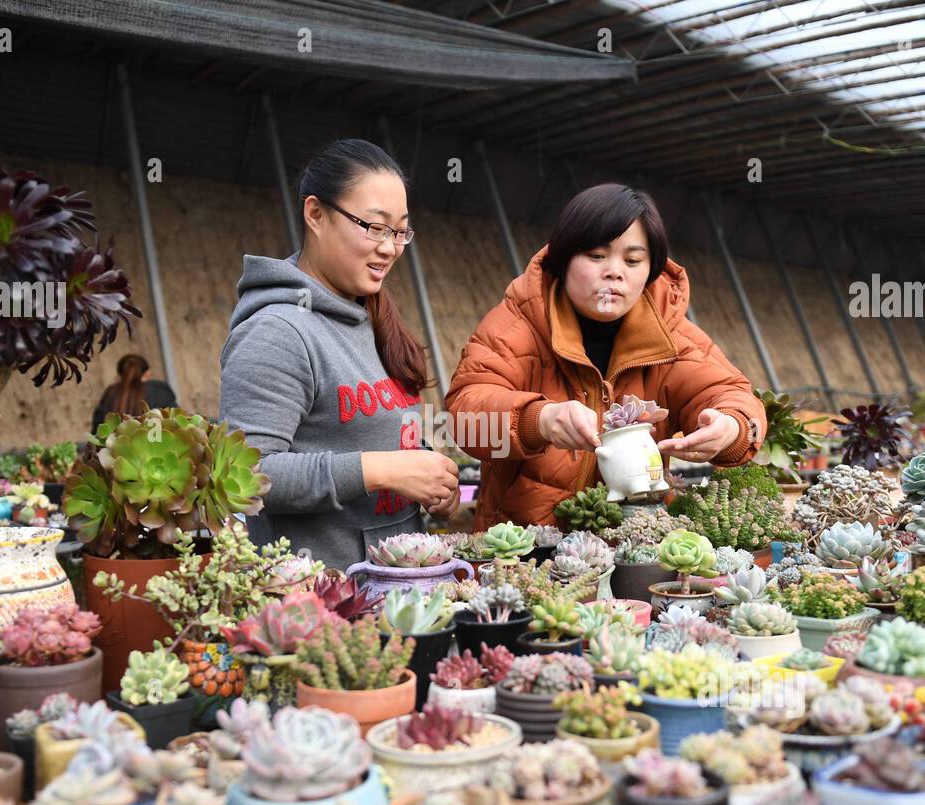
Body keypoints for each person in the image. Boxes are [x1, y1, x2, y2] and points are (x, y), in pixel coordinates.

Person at [445, 183, 766, 530]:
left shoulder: (672, 335)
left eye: (632, 260)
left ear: (651, 270)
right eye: (597, 256)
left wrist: (731, 426)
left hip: (636, 539)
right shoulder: (516, 324)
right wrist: (539, 420)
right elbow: (464, 421)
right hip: (522, 548)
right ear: (564, 258)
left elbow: (730, 394)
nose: (615, 271)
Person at [219, 139, 460, 569]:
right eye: (374, 226)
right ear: (316, 214)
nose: (390, 247)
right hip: (324, 600)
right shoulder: (277, 331)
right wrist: (381, 471)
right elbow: (247, 476)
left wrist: (430, 479)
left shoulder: (372, 315)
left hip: (398, 584)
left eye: (400, 231)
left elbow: (374, 433)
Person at [90, 354, 177, 434]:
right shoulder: (160, 390)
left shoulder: (110, 393)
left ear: (119, 376)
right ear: (147, 374)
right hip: (156, 447)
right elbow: (176, 423)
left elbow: (98, 431)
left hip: (116, 449)